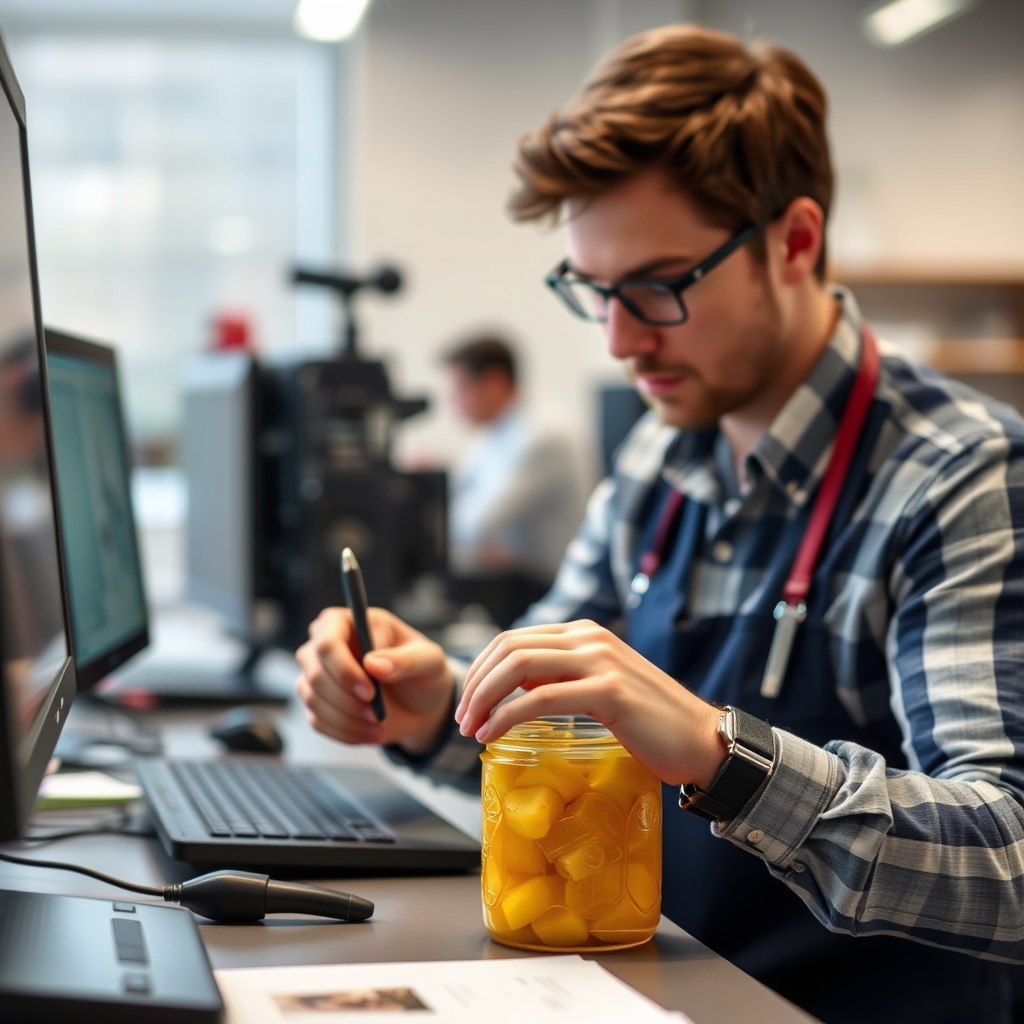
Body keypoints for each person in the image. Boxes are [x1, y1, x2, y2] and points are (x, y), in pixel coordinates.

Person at [295, 24, 1024, 1024]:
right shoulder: (659, 456)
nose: (619, 339)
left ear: (794, 241)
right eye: (592, 290)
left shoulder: (958, 476)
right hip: (655, 987)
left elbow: (1009, 860)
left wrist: (723, 755)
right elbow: (556, 729)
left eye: (657, 287)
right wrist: (435, 706)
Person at [442, 334, 584, 614]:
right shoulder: (499, 431)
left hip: (547, 586)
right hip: (520, 578)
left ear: (494, 382)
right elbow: (461, 495)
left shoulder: (542, 436)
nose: (454, 403)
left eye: (460, 389)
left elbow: (473, 527)